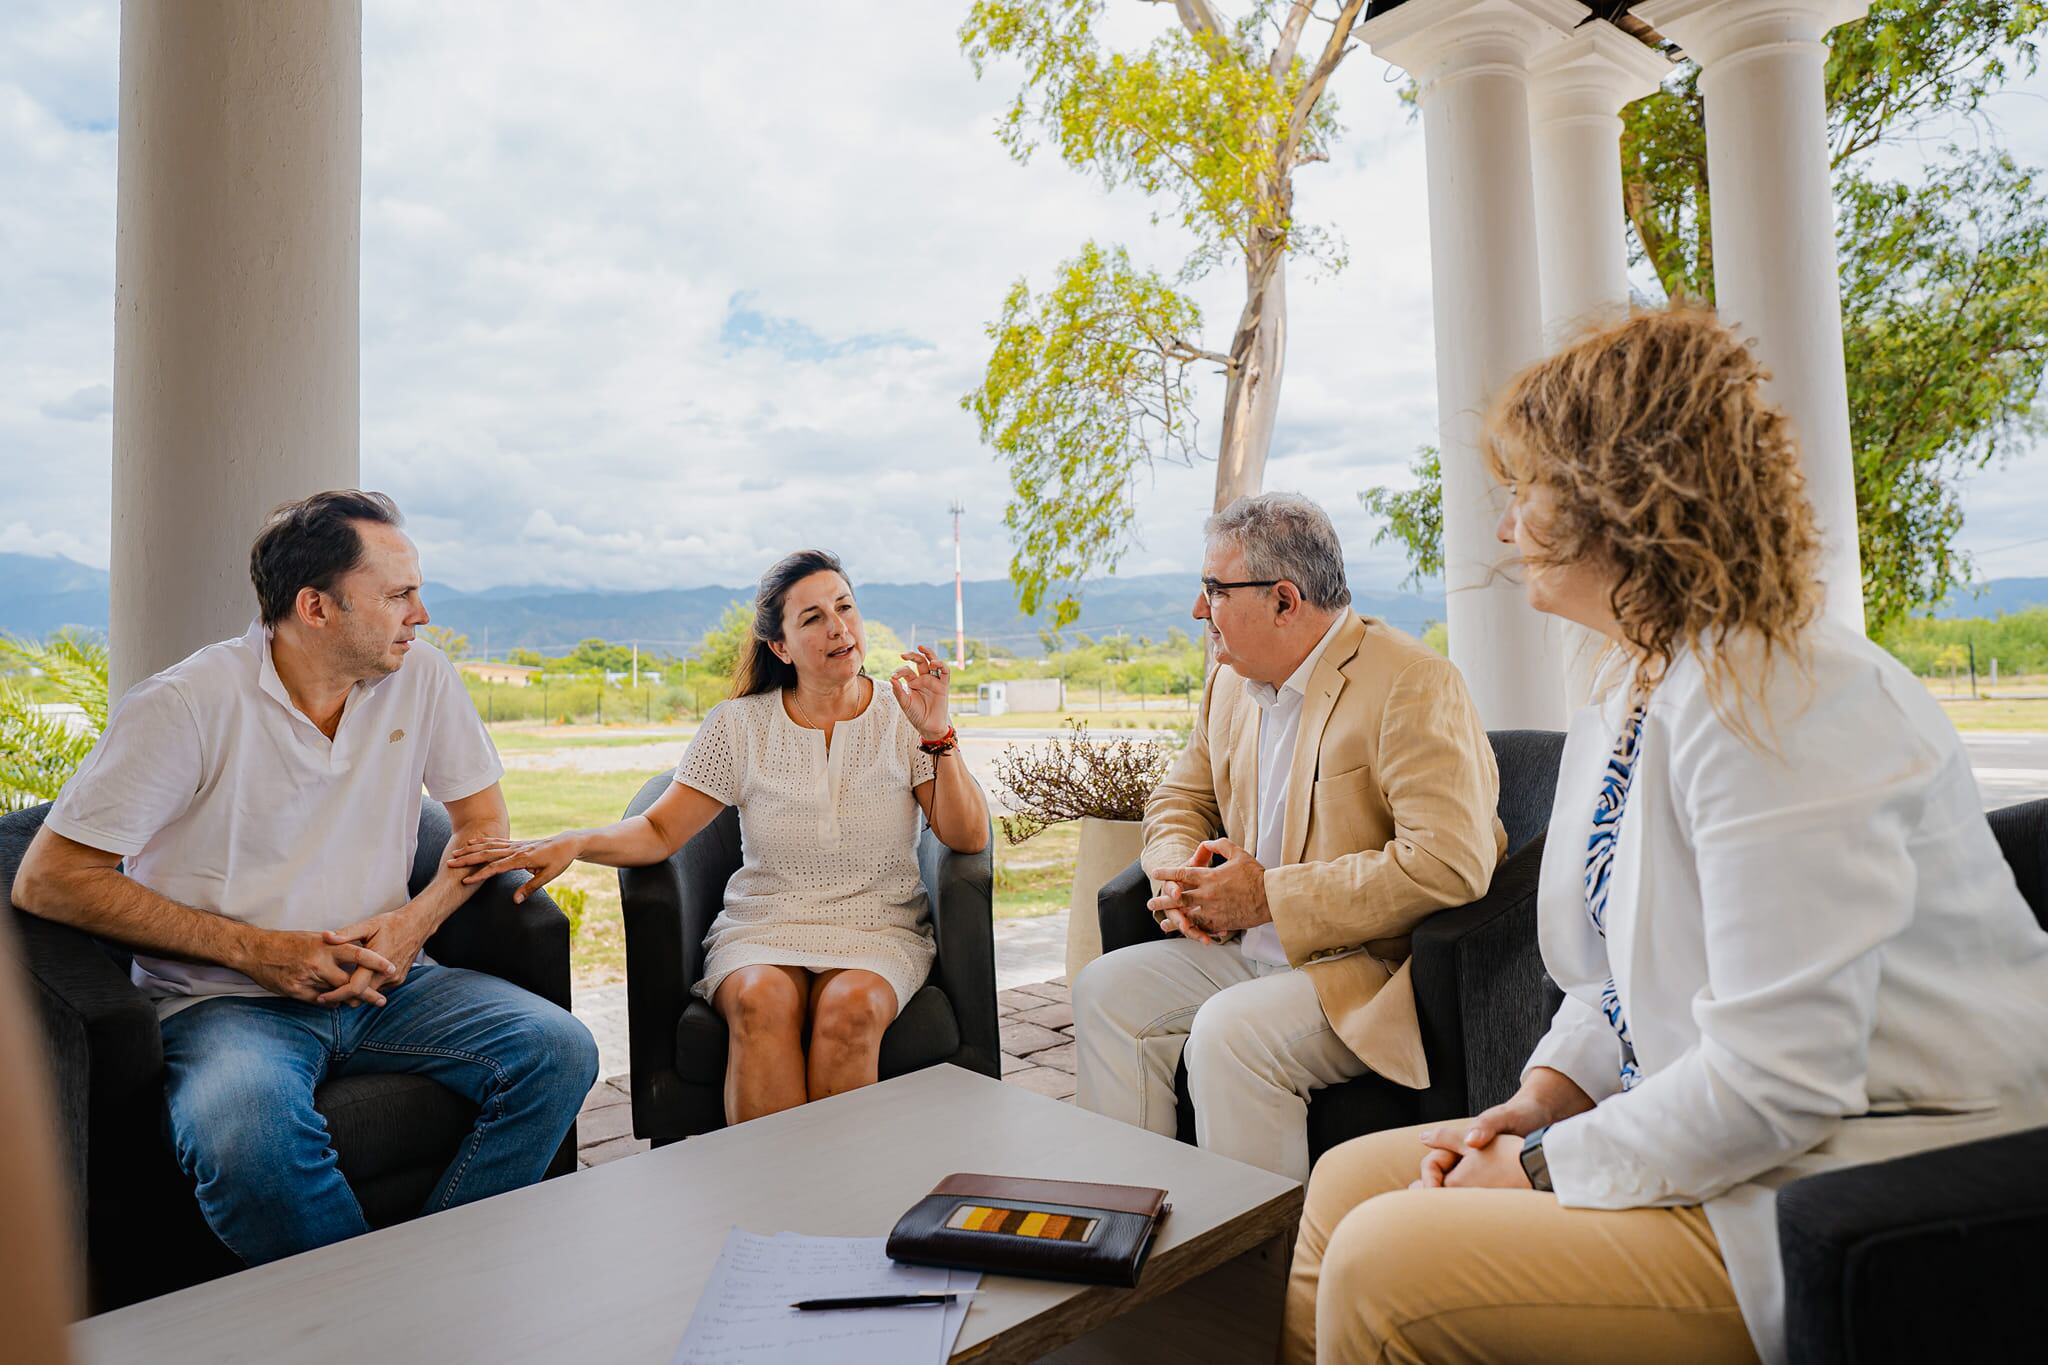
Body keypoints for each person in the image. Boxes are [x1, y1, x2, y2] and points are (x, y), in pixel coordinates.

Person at [1284, 308, 2048, 1364]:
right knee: (1345, 1183)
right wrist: (1532, 1107)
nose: (1505, 529)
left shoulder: (1779, 697)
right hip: (1732, 1136)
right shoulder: (1642, 690)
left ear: (1619, 494)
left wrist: (1547, 1165)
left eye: (1525, 490)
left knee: (1383, 1262)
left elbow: (1783, 1076)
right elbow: (1614, 985)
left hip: (1858, 1174)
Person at [12, 490, 598, 1268]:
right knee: (243, 1135)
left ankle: (438, 1280)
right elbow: (49, 880)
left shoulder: (420, 678)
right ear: (315, 606)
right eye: (398, 595)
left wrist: (410, 925)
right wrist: (257, 951)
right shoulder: (185, 706)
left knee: (560, 1050)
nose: (421, 614)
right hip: (223, 1001)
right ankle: (366, 1329)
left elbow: (482, 828)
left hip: (395, 981)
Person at [452, 549, 990, 1126]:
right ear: (780, 647)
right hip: (766, 922)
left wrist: (938, 735)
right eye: (812, 617)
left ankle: (836, 1207)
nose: (838, 627)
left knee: (851, 1008)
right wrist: (577, 841)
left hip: (877, 923)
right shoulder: (738, 726)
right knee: (761, 1000)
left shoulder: (901, 716)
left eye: (845, 607)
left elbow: (965, 835)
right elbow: (660, 830)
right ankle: (765, 1209)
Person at [1071, 492, 1505, 1183]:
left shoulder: (1413, 682)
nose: (1197, 610)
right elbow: (1180, 798)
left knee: (1229, 1035)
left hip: (1362, 971)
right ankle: (1135, 1235)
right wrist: (1182, 877)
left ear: (1283, 599)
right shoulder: (1229, 683)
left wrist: (1267, 896)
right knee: (1104, 991)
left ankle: (1259, 1274)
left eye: (1213, 590)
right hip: (1241, 950)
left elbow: (1451, 864)